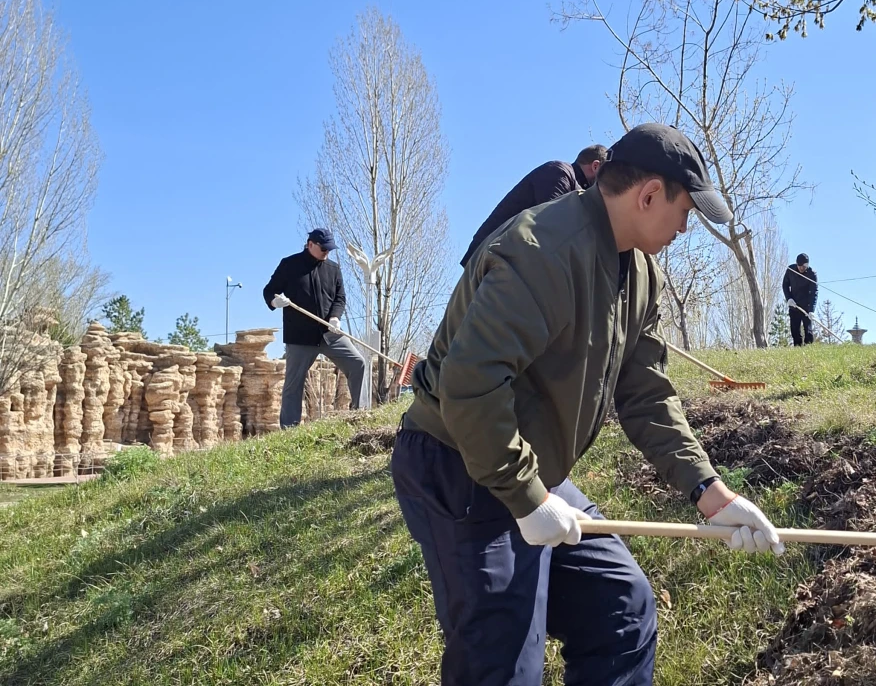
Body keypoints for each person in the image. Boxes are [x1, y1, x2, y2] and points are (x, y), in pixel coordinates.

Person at [391, 123, 784, 686]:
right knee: (501, 663)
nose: (686, 227)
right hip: (457, 465)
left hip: (530, 469)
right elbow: (469, 386)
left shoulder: (641, 272)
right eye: (685, 211)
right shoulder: (544, 251)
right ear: (649, 195)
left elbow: (646, 396)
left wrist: (713, 495)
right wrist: (527, 498)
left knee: (621, 611)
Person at [262, 227, 370, 428]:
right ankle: (289, 428)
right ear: (310, 244)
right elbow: (269, 291)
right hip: (300, 337)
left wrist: (335, 318)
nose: (326, 252)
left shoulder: (333, 269)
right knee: (294, 384)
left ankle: (360, 415)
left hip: (330, 334)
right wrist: (275, 301)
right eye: (323, 248)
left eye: (329, 249)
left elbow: (340, 297)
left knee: (358, 362)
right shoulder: (289, 265)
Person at [459, 144, 608, 266]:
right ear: (595, 166)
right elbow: (553, 227)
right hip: (489, 256)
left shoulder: (569, 180)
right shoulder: (560, 173)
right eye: (606, 175)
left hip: (499, 256)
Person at [782, 253, 818, 346]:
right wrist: (789, 298)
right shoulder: (790, 270)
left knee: (808, 332)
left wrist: (811, 310)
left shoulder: (812, 274)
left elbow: (814, 292)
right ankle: (798, 349)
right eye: (799, 266)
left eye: (804, 266)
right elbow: (785, 285)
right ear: (796, 264)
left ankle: (809, 349)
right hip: (794, 305)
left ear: (807, 265)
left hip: (806, 307)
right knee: (795, 331)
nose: (801, 268)